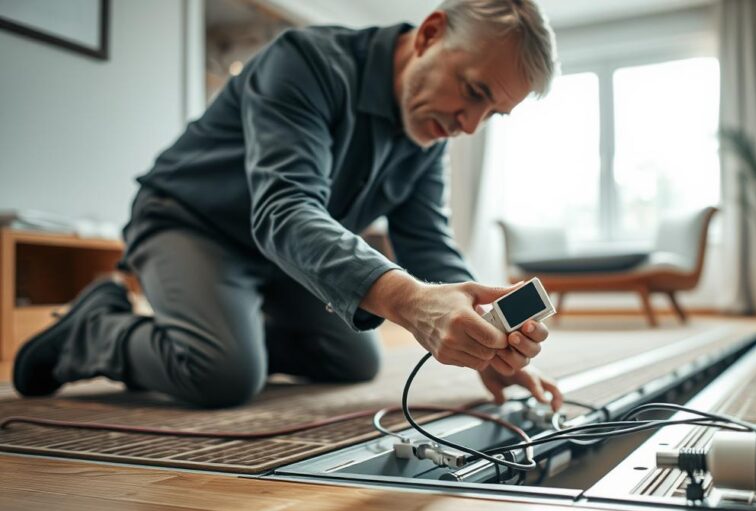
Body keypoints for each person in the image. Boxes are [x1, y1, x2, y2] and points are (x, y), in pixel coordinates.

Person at [14, 0, 564, 411]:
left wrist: (484, 345)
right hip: (189, 219)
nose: (469, 125)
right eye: (472, 92)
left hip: (280, 256)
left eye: (492, 114)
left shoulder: (430, 129)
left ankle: (228, 328)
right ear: (430, 33)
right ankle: (94, 330)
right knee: (223, 375)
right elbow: (285, 210)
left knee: (352, 360)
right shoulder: (305, 62)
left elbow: (427, 243)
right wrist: (412, 302)